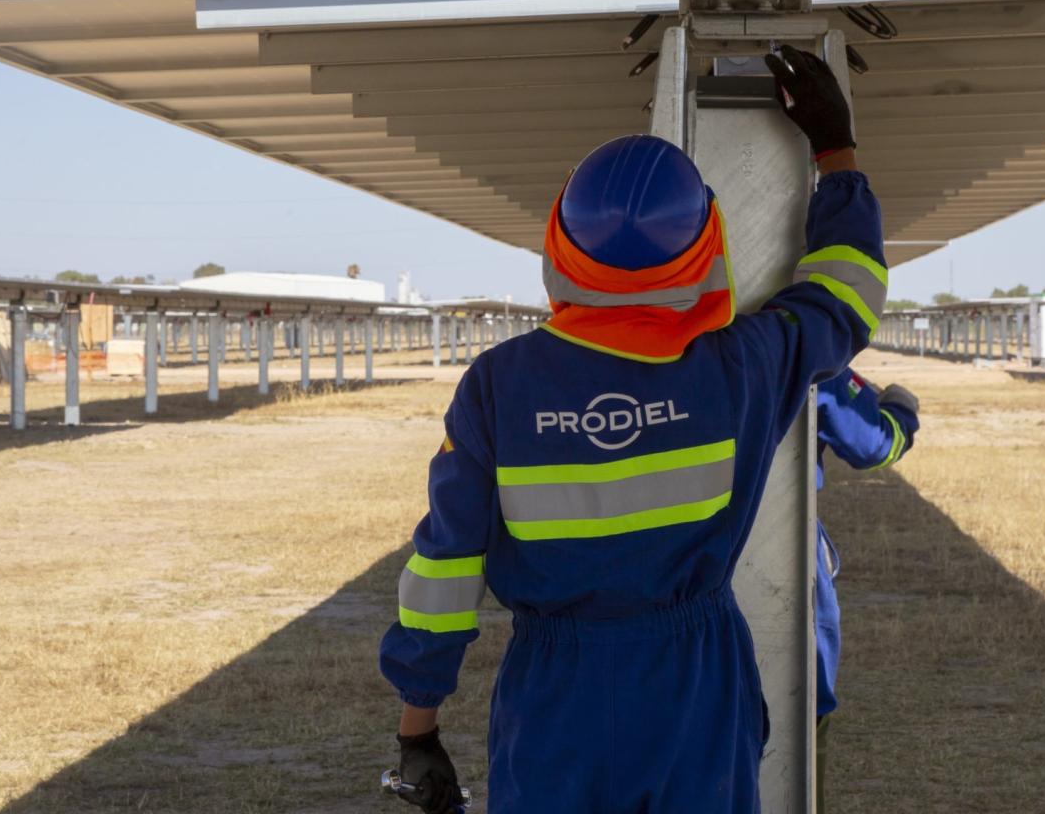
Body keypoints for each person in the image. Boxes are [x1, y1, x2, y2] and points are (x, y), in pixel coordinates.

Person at [378, 46, 886, 814]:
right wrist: (835, 149)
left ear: (559, 248)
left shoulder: (499, 385)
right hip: (695, 684)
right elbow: (847, 295)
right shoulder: (745, 367)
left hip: (555, 695)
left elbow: (446, 569)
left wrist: (419, 730)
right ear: (705, 250)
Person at [811, 369, 920, 812]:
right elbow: (873, 442)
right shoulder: (805, 340)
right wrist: (901, 409)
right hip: (779, 548)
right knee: (806, 688)